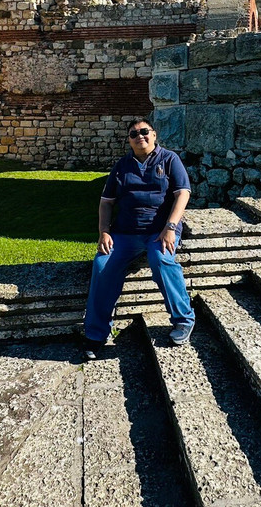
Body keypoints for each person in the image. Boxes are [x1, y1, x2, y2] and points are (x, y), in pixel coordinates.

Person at [82, 117, 195, 359]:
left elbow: (183, 194)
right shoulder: (122, 166)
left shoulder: (169, 159)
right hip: (125, 233)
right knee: (102, 265)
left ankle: (183, 320)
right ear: (129, 140)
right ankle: (96, 333)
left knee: (161, 260)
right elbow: (106, 202)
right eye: (134, 134)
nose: (140, 136)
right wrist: (104, 231)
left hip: (160, 231)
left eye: (144, 132)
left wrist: (171, 227)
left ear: (154, 135)